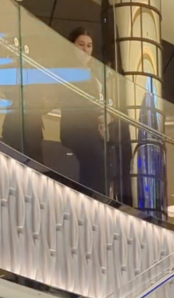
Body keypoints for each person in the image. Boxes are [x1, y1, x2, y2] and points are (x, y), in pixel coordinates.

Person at [60, 27, 106, 194]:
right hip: (79, 127)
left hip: (91, 127)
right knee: (97, 165)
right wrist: (98, 115)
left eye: (89, 45)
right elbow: (74, 100)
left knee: (93, 168)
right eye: (81, 44)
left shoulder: (92, 72)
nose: (86, 49)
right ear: (72, 45)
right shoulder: (69, 70)